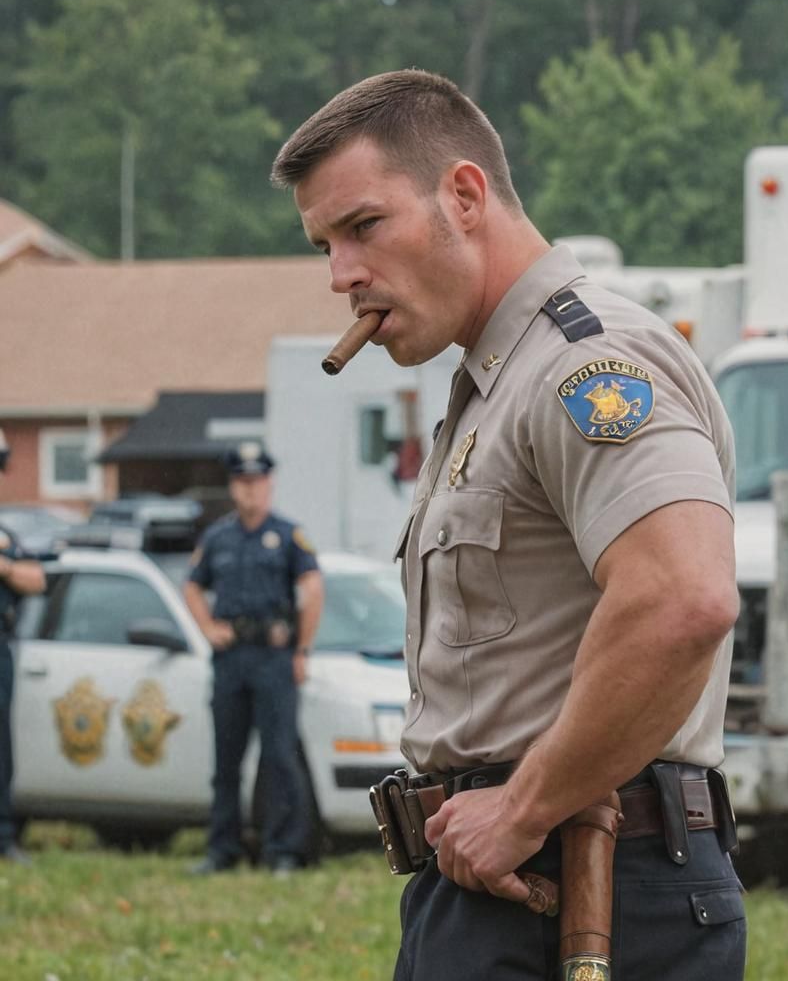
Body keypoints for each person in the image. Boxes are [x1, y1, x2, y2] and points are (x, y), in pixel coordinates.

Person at [272, 70, 744, 978]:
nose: (342, 275)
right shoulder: (498, 380)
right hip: (510, 884)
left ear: (464, 194)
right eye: (325, 244)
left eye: (363, 226)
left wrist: (524, 809)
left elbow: (683, 597)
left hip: (591, 885)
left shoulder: (585, 363)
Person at [184, 442, 324, 877]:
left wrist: (302, 649)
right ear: (233, 487)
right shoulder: (217, 537)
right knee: (226, 760)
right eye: (243, 483)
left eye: (258, 481)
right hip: (230, 659)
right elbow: (192, 586)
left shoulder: (288, 535)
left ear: (270, 483)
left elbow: (313, 588)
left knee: (280, 757)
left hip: (273, 657)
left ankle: (281, 850)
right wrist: (208, 628)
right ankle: (222, 848)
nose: (251, 490)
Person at [0, 429, 46, 865]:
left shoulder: (6, 534)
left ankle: (4, 835)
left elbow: (37, 579)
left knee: (1, 747)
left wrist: (4, 565)